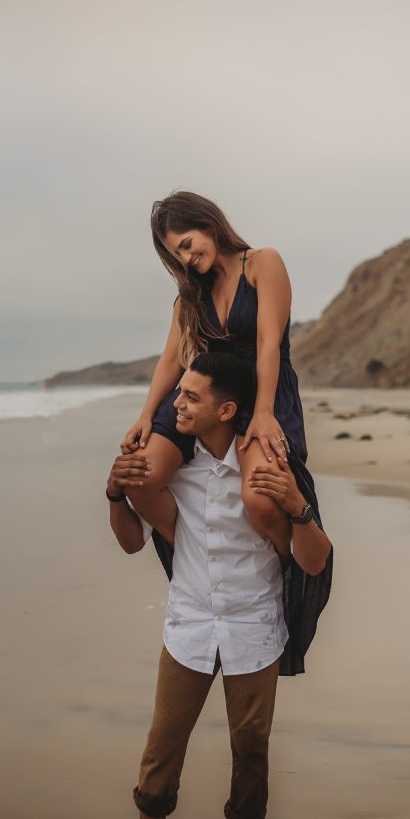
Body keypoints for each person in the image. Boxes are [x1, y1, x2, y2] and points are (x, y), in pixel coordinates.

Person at [101, 353, 332, 819]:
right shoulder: (171, 473)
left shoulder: (267, 473)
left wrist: (299, 507)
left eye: (189, 397)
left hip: (255, 627)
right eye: (177, 393)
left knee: (250, 751)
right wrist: (114, 493)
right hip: (189, 627)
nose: (173, 405)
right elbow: (133, 541)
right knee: (161, 751)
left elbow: (316, 561)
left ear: (226, 409)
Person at [121, 190, 310, 565]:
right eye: (177, 254)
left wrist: (264, 411)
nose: (188, 259)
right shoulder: (190, 294)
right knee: (140, 479)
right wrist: (145, 416)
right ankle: (200, 560)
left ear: (209, 224)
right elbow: (171, 359)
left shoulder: (262, 262)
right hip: (205, 393)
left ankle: (282, 570)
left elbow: (269, 343)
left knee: (260, 500)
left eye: (188, 244)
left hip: (262, 390)